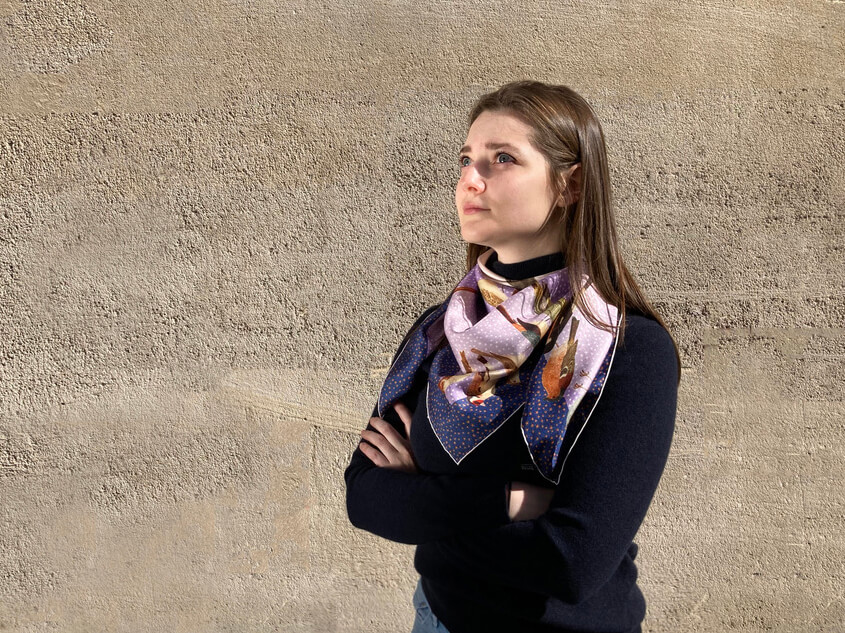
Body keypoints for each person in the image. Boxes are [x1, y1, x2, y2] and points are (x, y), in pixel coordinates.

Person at [344, 80, 680, 633]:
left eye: (502, 159)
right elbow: (364, 496)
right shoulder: (441, 332)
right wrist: (511, 500)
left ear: (570, 185)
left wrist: (422, 505)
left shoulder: (628, 349)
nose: (470, 180)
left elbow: (571, 562)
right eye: (466, 160)